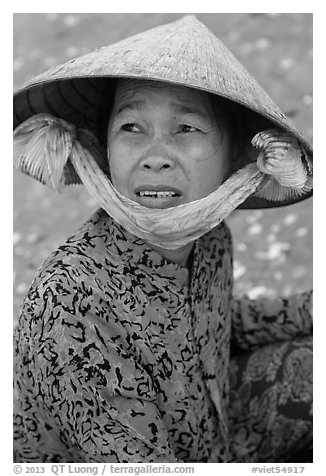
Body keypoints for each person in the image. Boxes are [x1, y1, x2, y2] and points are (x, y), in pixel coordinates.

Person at [13, 15, 313, 463]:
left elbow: (218, 322)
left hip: (216, 431)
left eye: (186, 128)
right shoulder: (70, 305)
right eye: (131, 128)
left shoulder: (211, 239)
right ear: (105, 151)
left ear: (236, 156)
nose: (155, 157)